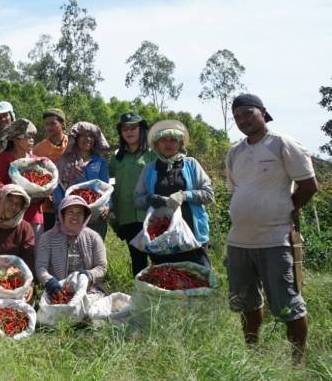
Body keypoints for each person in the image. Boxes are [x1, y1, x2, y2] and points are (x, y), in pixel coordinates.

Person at [225, 94, 317, 361]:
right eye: (237, 117)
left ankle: (297, 362)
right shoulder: (235, 152)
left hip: (274, 239)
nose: (243, 120)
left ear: (263, 112)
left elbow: (309, 186)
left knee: (288, 305)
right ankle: (252, 354)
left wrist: (283, 210)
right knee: (247, 303)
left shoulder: (283, 144)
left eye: (247, 113)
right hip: (239, 241)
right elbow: (238, 191)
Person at [133, 120, 214, 268]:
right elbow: (137, 200)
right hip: (161, 237)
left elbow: (208, 194)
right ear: (156, 144)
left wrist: (184, 195)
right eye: (163, 140)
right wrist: (149, 199)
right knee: (166, 281)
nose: (168, 144)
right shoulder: (149, 169)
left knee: (199, 279)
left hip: (191, 236)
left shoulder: (191, 164)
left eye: (173, 140)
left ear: (180, 143)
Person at [108, 112, 157, 277]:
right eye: (124, 129)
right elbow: (110, 185)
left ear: (142, 129)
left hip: (152, 216)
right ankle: (142, 299)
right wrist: (114, 216)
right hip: (128, 217)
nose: (129, 132)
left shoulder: (153, 154)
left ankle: (163, 298)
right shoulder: (116, 158)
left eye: (133, 127)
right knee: (138, 262)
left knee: (159, 259)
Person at [36, 195, 107, 299]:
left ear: (85, 217)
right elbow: (40, 267)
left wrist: (88, 275)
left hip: (88, 289)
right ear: (62, 214)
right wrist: (49, 281)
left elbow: (101, 267)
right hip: (58, 291)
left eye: (80, 213)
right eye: (70, 212)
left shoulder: (93, 237)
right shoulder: (47, 238)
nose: (75, 216)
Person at [55, 121, 111, 239]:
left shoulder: (100, 161)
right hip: (72, 216)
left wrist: (108, 206)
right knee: (72, 253)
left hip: (96, 217)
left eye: (91, 136)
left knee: (94, 252)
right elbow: (58, 187)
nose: (88, 139)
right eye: (83, 135)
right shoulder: (64, 160)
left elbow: (106, 187)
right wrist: (62, 208)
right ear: (76, 138)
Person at [0, 119, 44, 237]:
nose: (31, 140)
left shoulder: (36, 160)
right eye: (27, 136)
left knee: (33, 250)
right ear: (15, 139)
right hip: (12, 213)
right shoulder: (4, 158)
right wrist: (17, 195)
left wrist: (43, 194)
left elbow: (44, 184)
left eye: (32, 137)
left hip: (34, 214)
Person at [33, 108, 69, 231]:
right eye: (47, 124)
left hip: (71, 203)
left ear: (63, 124)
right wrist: (44, 193)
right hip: (47, 206)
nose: (49, 127)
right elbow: (35, 176)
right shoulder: (38, 149)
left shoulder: (72, 145)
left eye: (53, 123)